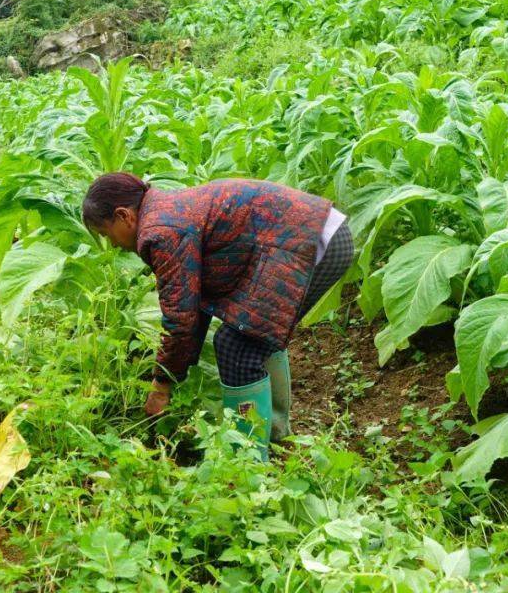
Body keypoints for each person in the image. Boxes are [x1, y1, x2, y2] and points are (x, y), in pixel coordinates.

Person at [82, 173, 353, 459]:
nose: (111, 244)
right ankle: (274, 437)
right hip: (316, 233)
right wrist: (172, 374)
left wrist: (161, 385)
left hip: (312, 241)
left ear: (124, 216)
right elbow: (192, 307)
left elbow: (180, 319)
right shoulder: (166, 211)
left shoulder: (160, 231)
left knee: (237, 345)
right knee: (251, 332)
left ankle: (247, 461)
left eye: (105, 233)